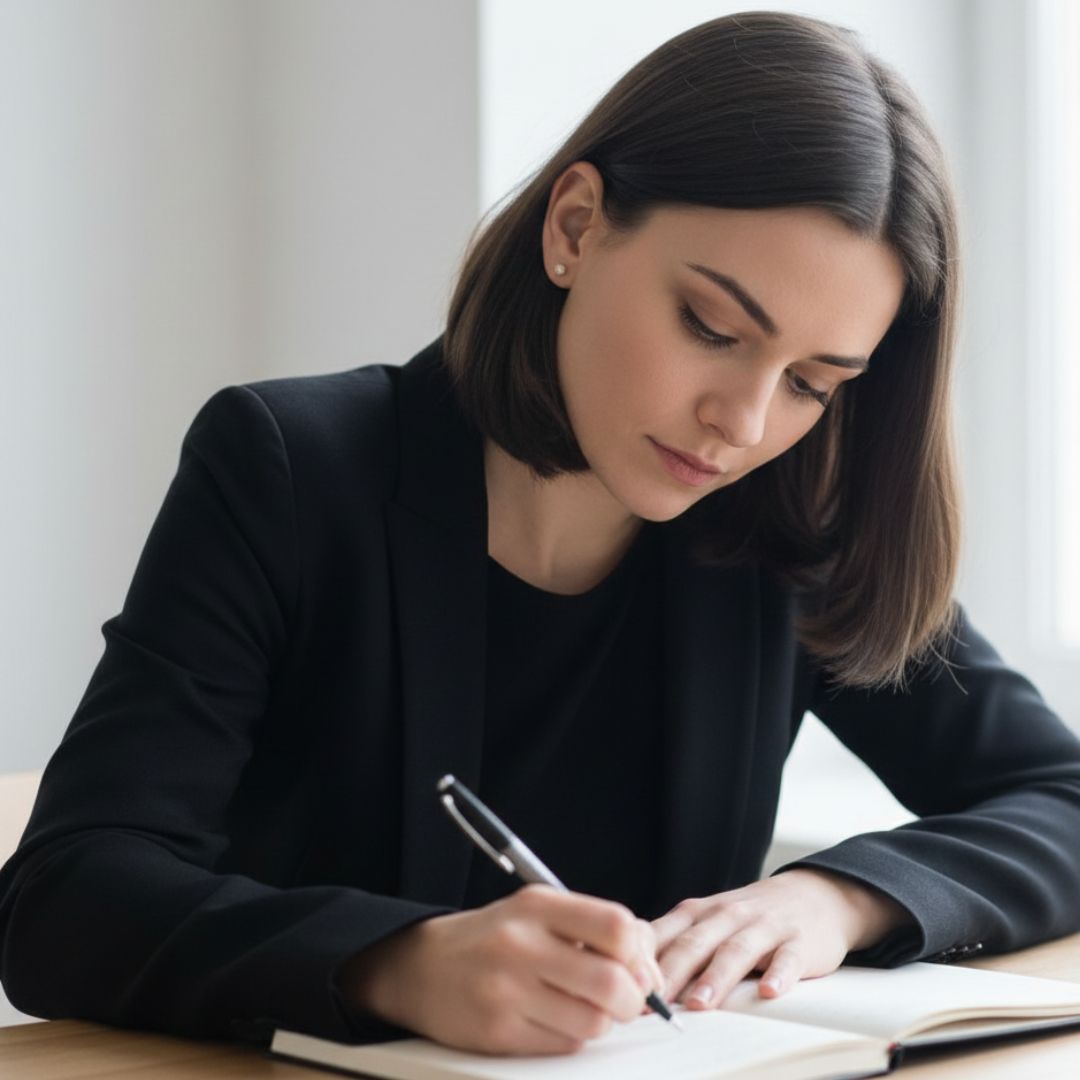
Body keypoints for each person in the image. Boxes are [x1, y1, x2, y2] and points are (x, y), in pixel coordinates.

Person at [2, 8, 1079, 1061]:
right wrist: (399, 963)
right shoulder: (289, 469)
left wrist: (839, 897)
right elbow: (67, 896)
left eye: (811, 382)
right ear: (574, 227)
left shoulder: (785, 531)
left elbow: (1062, 797)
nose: (745, 424)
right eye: (711, 327)